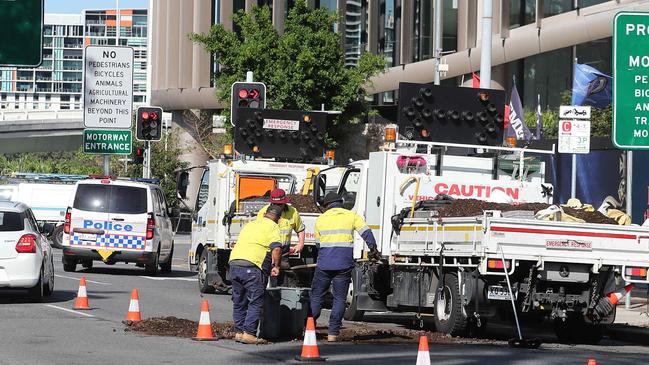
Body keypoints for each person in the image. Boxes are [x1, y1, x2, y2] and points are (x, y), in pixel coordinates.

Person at [310, 192, 381, 342]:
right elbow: (366, 232)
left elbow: (318, 244)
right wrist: (373, 250)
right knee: (339, 299)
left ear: (326, 205)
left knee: (317, 296)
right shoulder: (351, 216)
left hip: (324, 264)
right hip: (343, 264)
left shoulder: (320, 220)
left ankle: (309, 328)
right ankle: (333, 333)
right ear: (340, 203)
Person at [229, 204, 284, 344]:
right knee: (255, 301)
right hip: (252, 266)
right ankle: (249, 334)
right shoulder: (273, 227)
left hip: (234, 264)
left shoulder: (251, 224)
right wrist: (276, 266)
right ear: (278, 218)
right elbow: (276, 249)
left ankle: (239, 332)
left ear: (265, 213)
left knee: (239, 301)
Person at [257, 188, 305, 285]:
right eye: (275, 204)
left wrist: (300, 244)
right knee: (264, 275)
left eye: (280, 205)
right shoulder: (263, 212)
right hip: (267, 250)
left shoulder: (292, 212)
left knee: (281, 277)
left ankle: (278, 295)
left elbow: (300, 229)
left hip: (283, 251)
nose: (278, 207)